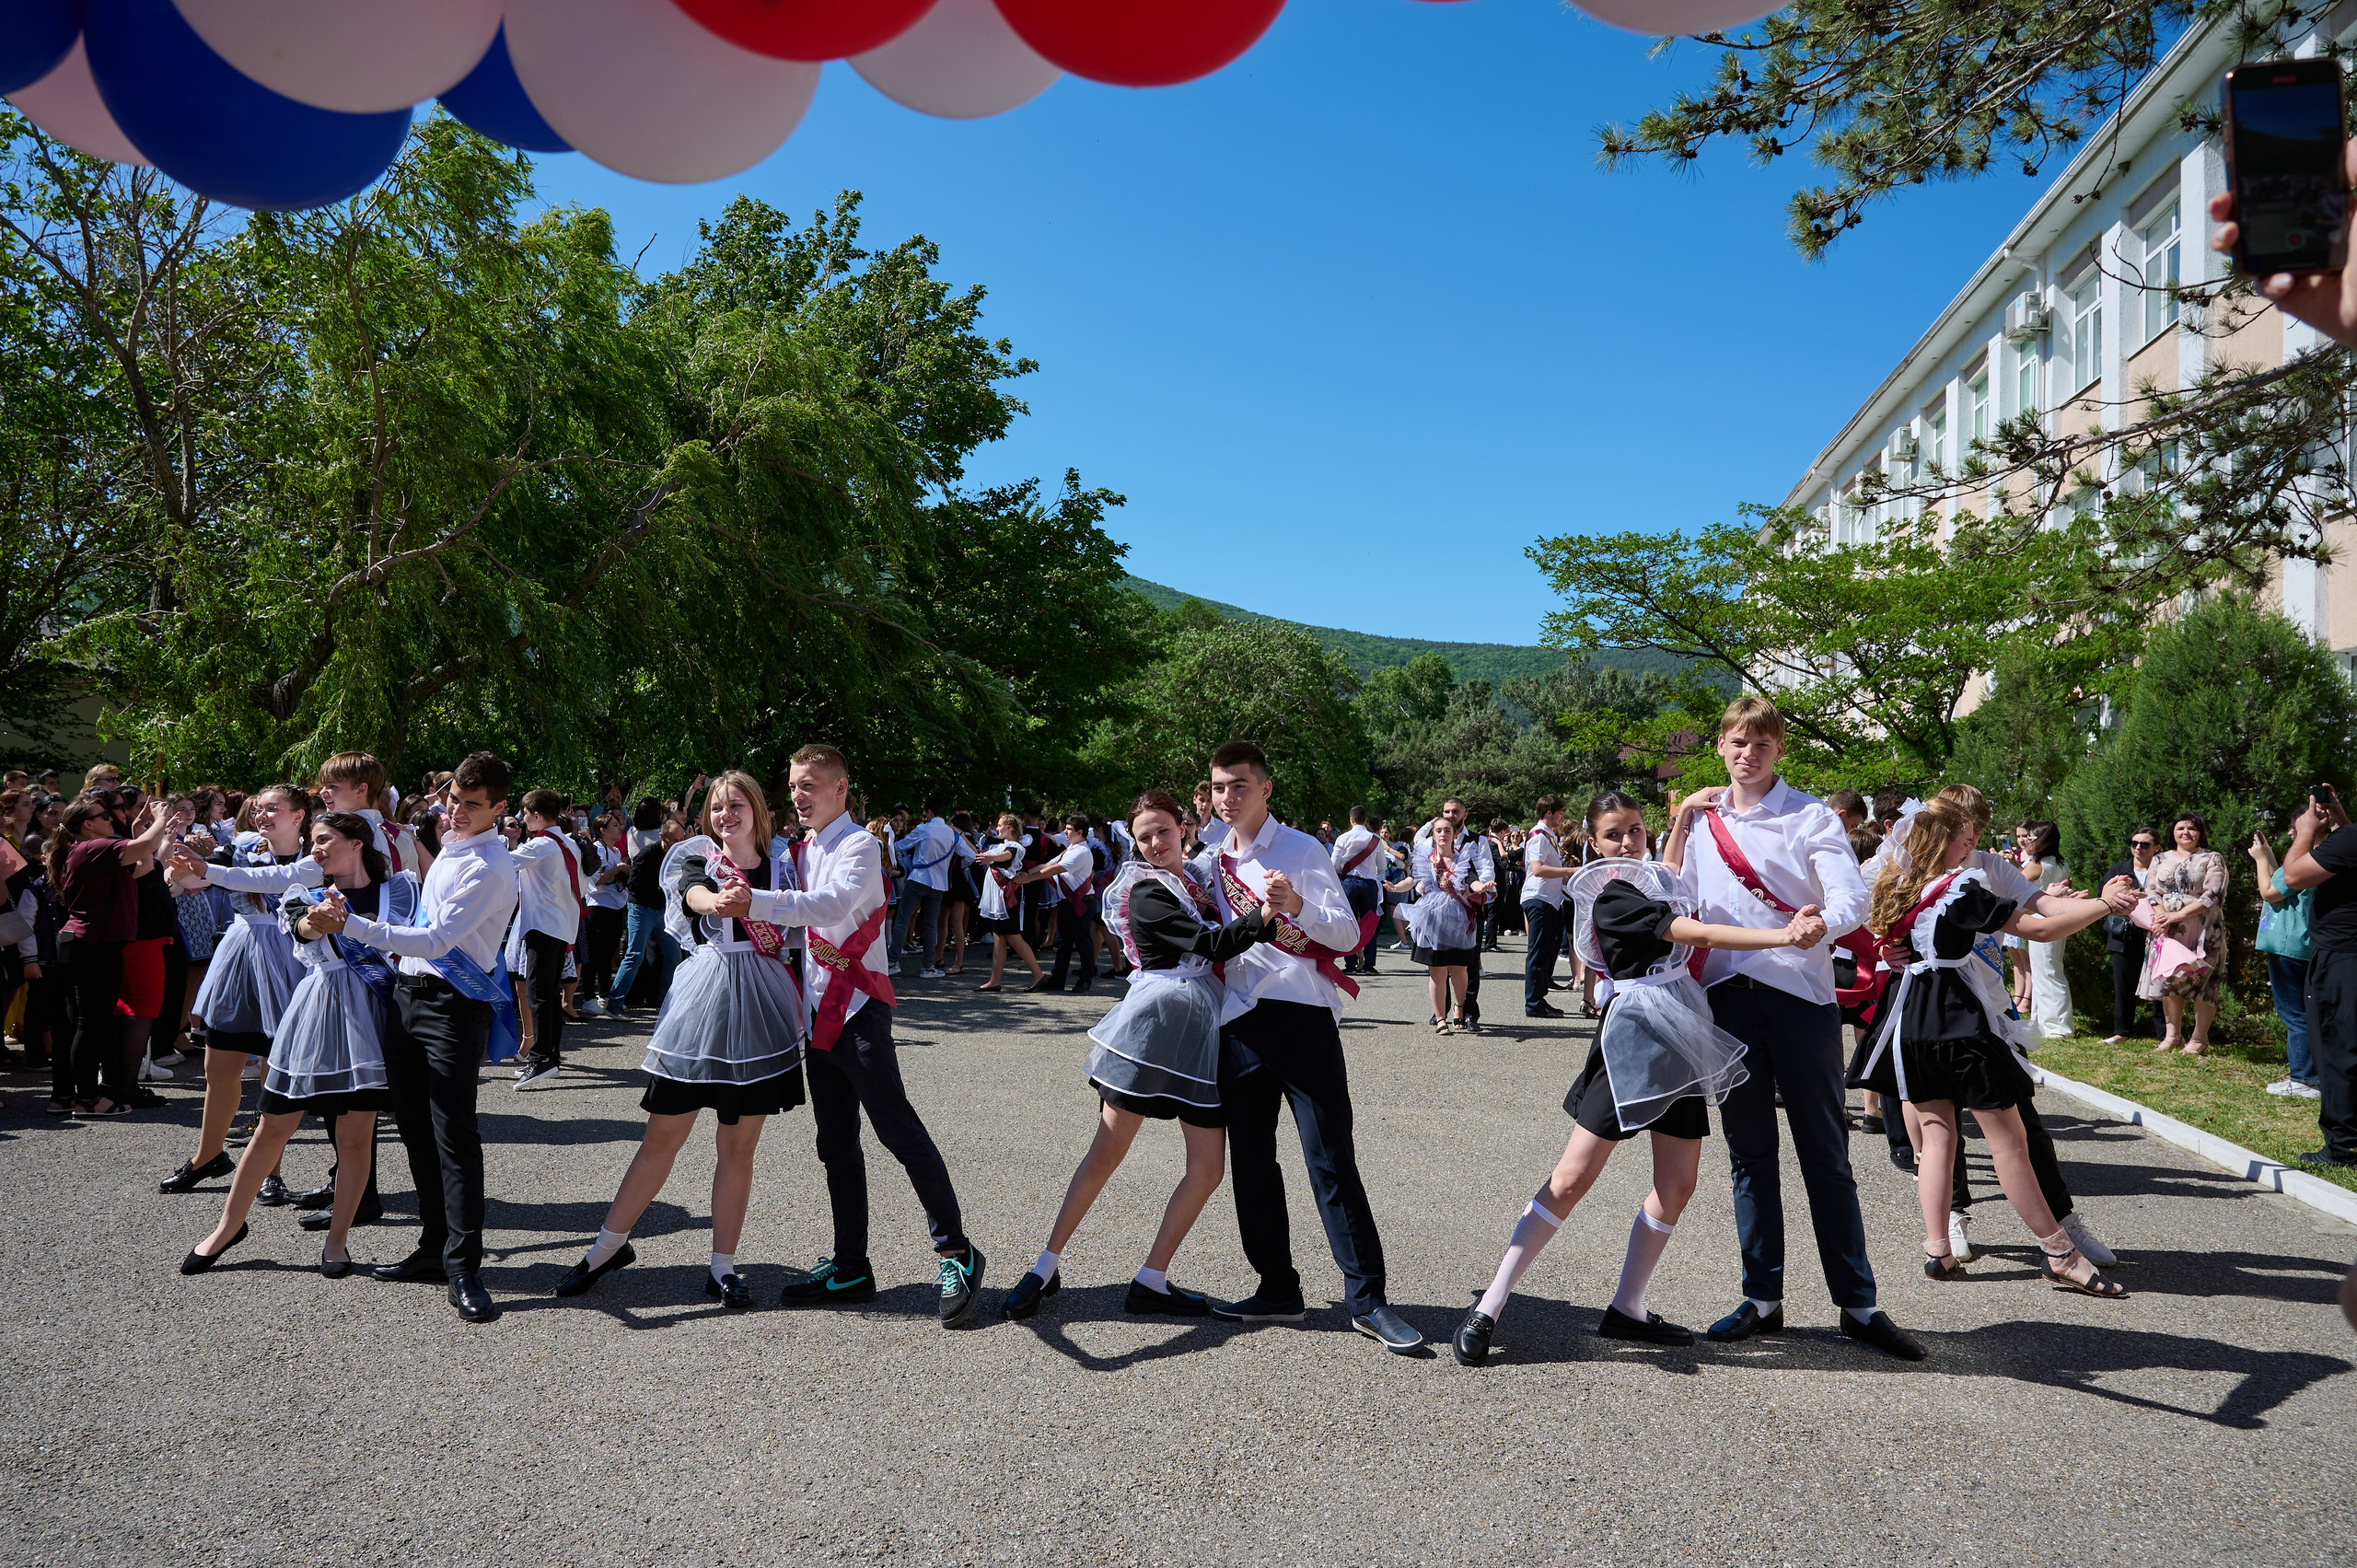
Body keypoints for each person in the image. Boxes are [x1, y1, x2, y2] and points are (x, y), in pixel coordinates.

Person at [1455, 791, 1819, 1365]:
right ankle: (1489, 1306)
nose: (1629, 842)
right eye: (1614, 835)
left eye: (1636, 830)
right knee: (1571, 1178)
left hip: (1678, 1035)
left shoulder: (1645, 878)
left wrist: (1684, 815)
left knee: (1677, 1184)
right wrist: (1782, 937)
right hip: (1633, 1039)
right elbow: (1692, 933)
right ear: (1592, 843)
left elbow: (1669, 873)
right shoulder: (1611, 896)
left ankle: (1628, 1306)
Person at [1657, 697, 1919, 1360]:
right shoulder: (1706, 820)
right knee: (1749, 1156)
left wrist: (1820, 924)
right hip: (1727, 1001)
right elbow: (1674, 896)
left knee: (1826, 1156)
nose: (1748, 753)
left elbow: (1851, 896)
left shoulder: (1809, 815)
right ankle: (1762, 1296)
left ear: (1778, 750)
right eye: (1737, 742)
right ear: (1720, 746)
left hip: (1801, 1001)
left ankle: (1858, 1303)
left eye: (1761, 743)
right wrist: (1683, 817)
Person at [1002, 789, 1291, 1322]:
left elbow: (1227, 851)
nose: (1155, 843)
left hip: (1203, 1033)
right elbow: (1211, 946)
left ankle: (1151, 1279)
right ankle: (1044, 1265)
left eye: (1163, 830)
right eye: (1144, 836)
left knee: (1207, 1168)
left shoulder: (1195, 877)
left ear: (1182, 827)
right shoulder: (1145, 893)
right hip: (1158, 1025)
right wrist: (1271, 912)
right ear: (1133, 843)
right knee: (1107, 1151)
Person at [1849, 799, 2126, 1299]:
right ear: (1942, 843)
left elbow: (1874, 940)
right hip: (1956, 1017)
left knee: (1936, 1138)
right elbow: (2037, 928)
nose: (1970, 843)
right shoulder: (1960, 888)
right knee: (2009, 1141)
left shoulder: (1899, 887)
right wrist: (2107, 904)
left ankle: (1938, 1248)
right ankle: (2059, 1252)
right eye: (1963, 837)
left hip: (1908, 1018)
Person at [1196, 740, 1421, 1352]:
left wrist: (1296, 906)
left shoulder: (1302, 848)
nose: (1228, 796)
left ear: (1266, 789)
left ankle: (1368, 1299)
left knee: (1329, 1158)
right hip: (1238, 1023)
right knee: (1252, 1162)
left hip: (1301, 1018)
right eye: (1219, 786)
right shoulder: (1210, 860)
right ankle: (1276, 1286)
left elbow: (1347, 934)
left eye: (1239, 785)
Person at [555, 772, 805, 1308]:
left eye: (736, 805)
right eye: (717, 807)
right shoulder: (700, 859)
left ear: (758, 811)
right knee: (662, 1138)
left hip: (761, 1005)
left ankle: (723, 1267)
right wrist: (715, 903)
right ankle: (606, 1247)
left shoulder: (786, 864)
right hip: (704, 1000)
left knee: (737, 1148)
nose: (725, 815)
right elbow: (693, 895)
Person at [765, 745, 983, 1327]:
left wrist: (755, 900)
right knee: (835, 1143)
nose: (798, 795)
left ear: (840, 788)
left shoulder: (859, 845)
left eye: (809, 785)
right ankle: (851, 1265)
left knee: (898, 1130)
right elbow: (802, 931)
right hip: (818, 1011)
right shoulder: (801, 849)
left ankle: (956, 1251)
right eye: (793, 786)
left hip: (857, 1008)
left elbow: (830, 904)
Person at [312, 750, 520, 1324]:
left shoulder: (492, 867)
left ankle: (465, 1267)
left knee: (454, 1135)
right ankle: (434, 1249)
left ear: (499, 809)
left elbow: (438, 943)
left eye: (473, 806)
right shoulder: (453, 848)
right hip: (408, 998)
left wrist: (350, 925)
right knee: (412, 1129)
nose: (456, 812)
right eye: (454, 799)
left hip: (453, 1006)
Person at [180, 813, 415, 1279]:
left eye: (325, 839)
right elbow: (303, 931)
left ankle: (337, 1241)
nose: (316, 848)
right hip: (317, 1012)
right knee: (271, 1127)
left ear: (357, 843)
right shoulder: (301, 894)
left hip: (373, 1018)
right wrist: (316, 921)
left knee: (353, 1137)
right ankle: (228, 1227)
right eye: (312, 841)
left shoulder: (401, 890)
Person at [162, 786, 315, 1189]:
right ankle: (208, 1155)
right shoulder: (240, 848)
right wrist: (177, 865)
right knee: (219, 1068)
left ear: (299, 815)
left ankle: (270, 1170)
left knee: (276, 1072)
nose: (262, 816)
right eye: (259, 809)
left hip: (294, 960)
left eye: (273, 809)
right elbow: (183, 875)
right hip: (241, 956)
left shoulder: (317, 855)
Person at [52, 795, 183, 1116]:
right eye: (105, 817)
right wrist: (159, 819)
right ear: (87, 824)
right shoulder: (91, 848)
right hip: (94, 945)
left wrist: (140, 832)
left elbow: (141, 866)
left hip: (91, 944)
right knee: (89, 1026)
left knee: (87, 1024)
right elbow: (143, 848)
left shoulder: (93, 851)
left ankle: (69, 1097)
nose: (111, 821)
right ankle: (87, 1100)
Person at [2283, 786, 2357, 1167]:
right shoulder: (2350, 838)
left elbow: (2293, 876)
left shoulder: (2348, 841)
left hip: (2342, 959)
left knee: (2336, 1050)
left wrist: (2307, 828)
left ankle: (2342, 1147)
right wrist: (2340, 818)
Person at [506, 789, 582, 1091]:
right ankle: (551, 1056)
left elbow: (503, 862)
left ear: (537, 816)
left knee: (538, 994)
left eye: (524, 815)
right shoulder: (567, 841)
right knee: (548, 994)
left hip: (544, 926)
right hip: (561, 925)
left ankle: (540, 1058)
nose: (522, 821)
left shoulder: (541, 845)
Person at [2252, 822, 2321, 1099]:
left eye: (2296, 828)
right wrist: (2267, 853)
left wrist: (2259, 860)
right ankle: (2312, 1076)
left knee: (2294, 1014)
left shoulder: (2305, 863)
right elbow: (2283, 879)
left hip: (2287, 947)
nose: (2291, 833)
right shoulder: (2322, 862)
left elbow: (2269, 890)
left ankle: (2304, 1079)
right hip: (2305, 945)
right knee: (2307, 1012)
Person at [1409, 815, 1492, 1036]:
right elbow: (1414, 880)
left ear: (1454, 835)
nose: (1443, 834)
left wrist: (1481, 887)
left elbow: (1471, 881)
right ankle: (1439, 1019)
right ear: (1433, 835)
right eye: (1439, 831)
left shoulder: (1463, 859)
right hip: (1432, 919)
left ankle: (1459, 1008)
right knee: (1436, 970)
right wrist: (1396, 887)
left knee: (1459, 969)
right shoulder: (1427, 860)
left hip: (1457, 921)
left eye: (1448, 831)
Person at [608, 798, 682, 1016]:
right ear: (662, 837)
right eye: (673, 840)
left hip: (662, 911)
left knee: (674, 955)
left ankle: (664, 1001)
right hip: (641, 909)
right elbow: (634, 886)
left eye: (681, 840)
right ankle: (614, 1003)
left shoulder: (676, 854)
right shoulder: (646, 855)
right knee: (634, 955)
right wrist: (661, 890)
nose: (677, 844)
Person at [1016, 814, 1099, 993]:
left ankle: (1086, 979)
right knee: (1063, 942)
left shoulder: (1081, 852)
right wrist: (1022, 874)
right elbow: (1046, 865)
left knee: (1082, 941)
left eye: (1069, 830)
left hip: (1080, 902)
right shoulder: (1070, 849)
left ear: (1080, 832)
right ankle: (1058, 978)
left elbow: (1055, 869)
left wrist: (1029, 878)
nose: (1065, 832)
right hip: (1067, 902)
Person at [971, 812, 1044, 993]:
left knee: (1013, 936)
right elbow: (980, 852)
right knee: (999, 937)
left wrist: (991, 858)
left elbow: (1007, 856)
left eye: (1000, 825)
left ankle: (1039, 975)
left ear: (1009, 828)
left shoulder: (1014, 847)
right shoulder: (1001, 846)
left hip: (1007, 897)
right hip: (998, 899)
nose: (997, 828)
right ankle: (994, 980)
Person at [2015, 820, 2074, 1040]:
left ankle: (2058, 1026)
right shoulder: (2061, 863)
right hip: (2060, 917)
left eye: (2031, 839)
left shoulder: (2037, 865)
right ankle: (2043, 1019)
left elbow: (2014, 882)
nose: (2027, 842)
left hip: (2041, 918)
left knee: (2047, 970)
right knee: (2047, 969)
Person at [2100, 828, 2159, 1044]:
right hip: (2123, 934)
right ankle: (2121, 1032)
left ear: (2157, 848)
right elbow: (2102, 895)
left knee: (2158, 984)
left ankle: (2164, 1033)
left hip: (2156, 935)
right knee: (2123, 985)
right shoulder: (2120, 870)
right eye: (2134, 843)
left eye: (2144, 844)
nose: (2138, 848)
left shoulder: (2163, 869)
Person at [1522, 794, 1576, 1019]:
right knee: (1539, 951)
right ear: (1548, 813)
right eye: (1559, 813)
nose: (1561, 817)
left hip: (1549, 899)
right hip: (1539, 898)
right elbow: (1538, 869)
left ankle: (1539, 997)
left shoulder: (1548, 836)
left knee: (1549, 949)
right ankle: (1533, 1002)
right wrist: (1569, 871)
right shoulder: (1539, 836)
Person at [892, 799, 955, 980]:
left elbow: (900, 846)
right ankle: (927, 967)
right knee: (930, 925)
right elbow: (968, 856)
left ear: (928, 812)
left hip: (918, 879)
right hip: (939, 884)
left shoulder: (923, 829)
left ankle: (892, 962)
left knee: (902, 920)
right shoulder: (952, 834)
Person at [579, 808, 630, 1016]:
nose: (620, 829)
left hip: (615, 905)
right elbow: (597, 880)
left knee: (609, 954)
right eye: (615, 826)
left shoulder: (616, 851)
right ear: (602, 830)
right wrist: (618, 869)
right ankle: (589, 997)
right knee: (594, 953)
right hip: (598, 906)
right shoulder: (598, 850)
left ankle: (604, 996)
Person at [1329, 806, 1387, 976]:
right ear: (1365, 819)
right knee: (1368, 923)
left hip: (1348, 884)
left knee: (1349, 924)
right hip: (1368, 883)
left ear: (1351, 820)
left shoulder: (1343, 838)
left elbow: (1334, 864)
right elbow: (1382, 866)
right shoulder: (1375, 839)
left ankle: (1350, 964)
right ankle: (1369, 965)